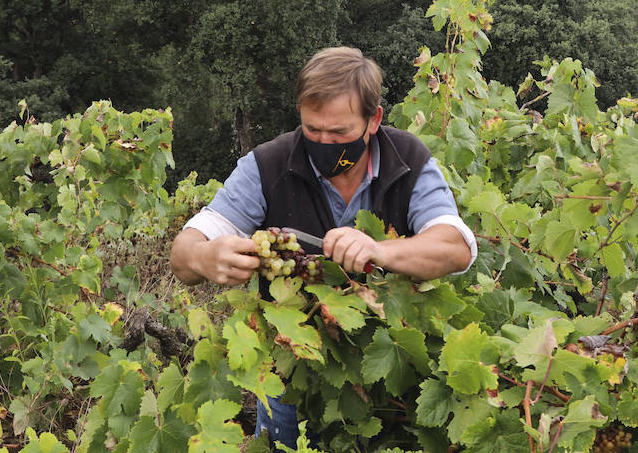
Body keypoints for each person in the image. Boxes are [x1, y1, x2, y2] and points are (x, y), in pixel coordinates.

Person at [169, 45, 475, 445]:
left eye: (339, 133)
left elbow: (456, 246)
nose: (324, 142)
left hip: (385, 372)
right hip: (289, 379)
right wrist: (204, 255)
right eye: (313, 130)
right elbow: (183, 252)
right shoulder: (268, 165)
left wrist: (382, 251)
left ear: (373, 120)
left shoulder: (408, 158)